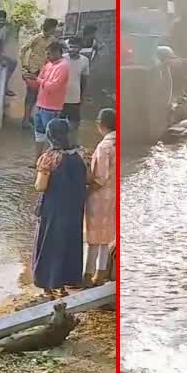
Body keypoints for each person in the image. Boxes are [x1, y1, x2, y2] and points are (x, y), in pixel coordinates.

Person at [33, 118, 90, 299]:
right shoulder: (81, 154)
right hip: (74, 208)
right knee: (70, 243)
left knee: (50, 243)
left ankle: (48, 287)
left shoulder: (49, 158)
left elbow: (41, 186)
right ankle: (65, 285)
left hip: (54, 208)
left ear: (50, 136)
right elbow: (88, 179)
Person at [85, 108, 116, 286]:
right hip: (114, 195)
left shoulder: (104, 146)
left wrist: (88, 191)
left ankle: (89, 274)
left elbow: (101, 177)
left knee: (93, 237)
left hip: (100, 196)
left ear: (100, 125)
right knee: (106, 236)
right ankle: (101, 272)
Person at [33, 41, 70, 163]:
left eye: (49, 54)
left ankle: (52, 162)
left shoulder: (63, 66)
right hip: (40, 104)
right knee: (39, 134)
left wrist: (39, 80)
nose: (47, 56)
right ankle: (38, 160)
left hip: (52, 107)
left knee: (52, 137)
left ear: (57, 52)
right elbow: (42, 80)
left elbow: (53, 86)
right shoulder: (48, 64)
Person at [20, 18, 58, 127]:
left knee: (40, 97)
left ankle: (35, 119)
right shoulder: (37, 38)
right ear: (49, 28)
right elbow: (23, 49)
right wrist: (24, 65)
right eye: (53, 28)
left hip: (46, 71)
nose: (53, 30)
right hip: (33, 70)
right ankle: (26, 120)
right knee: (31, 95)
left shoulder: (53, 40)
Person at [63, 37, 90, 139]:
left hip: (75, 96)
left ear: (80, 48)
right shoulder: (62, 58)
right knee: (59, 122)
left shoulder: (84, 61)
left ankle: (72, 143)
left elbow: (84, 79)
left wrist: (82, 96)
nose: (72, 49)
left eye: (75, 47)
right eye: (70, 46)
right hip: (61, 96)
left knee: (75, 123)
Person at [0, 10, 19, 96]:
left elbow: (1, 45)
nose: (1, 23)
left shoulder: (3, 30)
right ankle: (4, 87)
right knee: (7, 62)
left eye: (3, 21)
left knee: (13, 62)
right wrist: (0, 57)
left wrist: (2, 55)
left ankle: (5, 85)